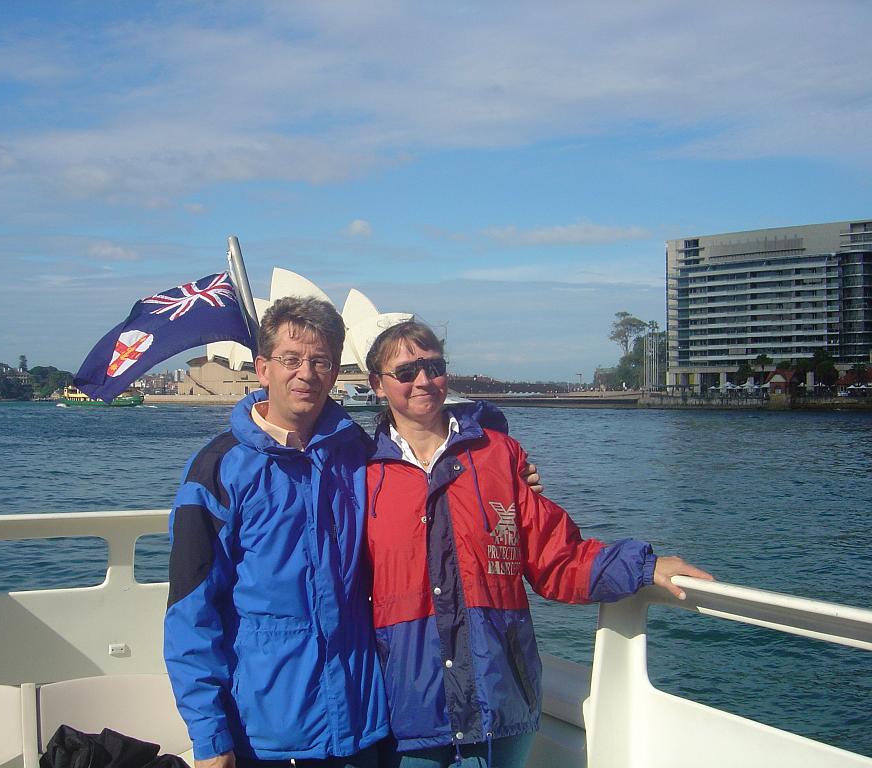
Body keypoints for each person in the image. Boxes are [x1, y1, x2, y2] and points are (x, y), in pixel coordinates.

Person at [164, 297, 542, 768]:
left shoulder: (357, 455)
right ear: (262, 369)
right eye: (291, 359)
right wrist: (210, 735)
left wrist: (498, 467)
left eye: (320, 361)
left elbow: (425, 466)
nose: (306, 373)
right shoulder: (218, 469)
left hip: (364, 723)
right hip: (269, 731)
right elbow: (190, 612)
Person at [363, 321, 713, 768]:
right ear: (377, 384)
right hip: (408, 711)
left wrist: (644, 566)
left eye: (434, 366)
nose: (424, 381)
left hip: (500, 699)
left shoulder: (498, 456)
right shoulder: (360, 472)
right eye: (407, 371)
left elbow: (557, 557)